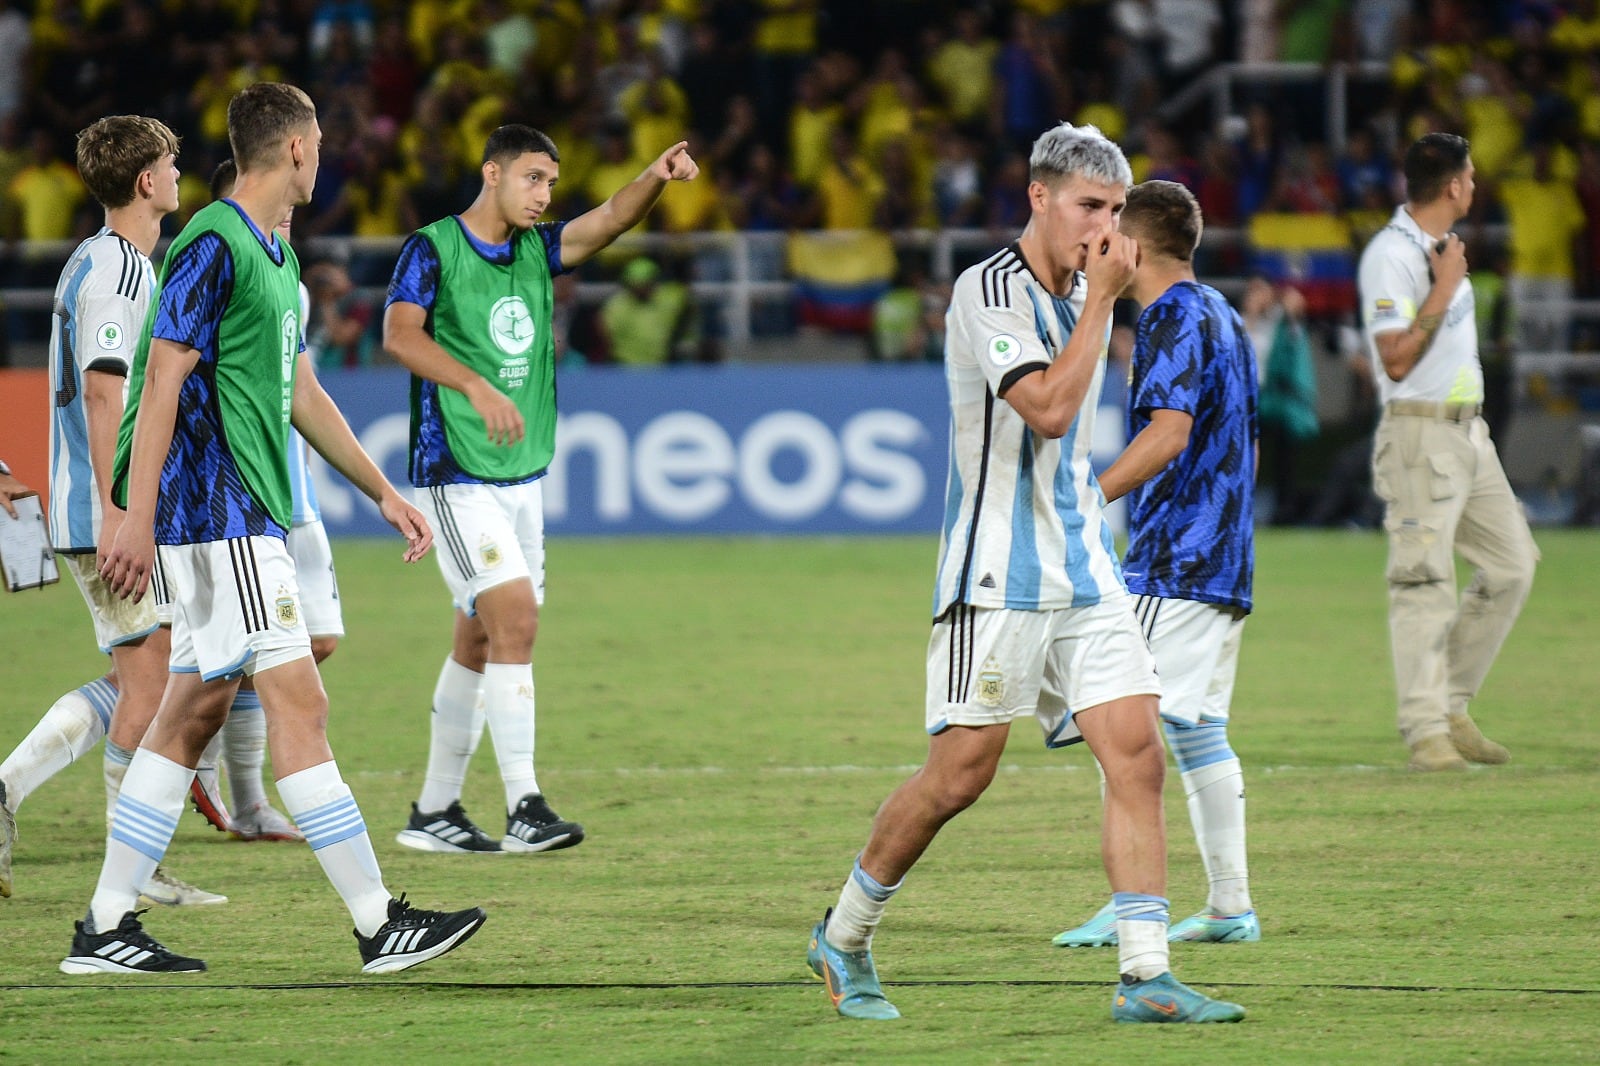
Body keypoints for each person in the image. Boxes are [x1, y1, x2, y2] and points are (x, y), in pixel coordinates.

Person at [804, 124, 1245, 1025]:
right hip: (997, 575)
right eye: (1089, 206)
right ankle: (843, 934)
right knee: (959, 777)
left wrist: (1101, 299)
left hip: (1086, 569)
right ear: (1039, 197)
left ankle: (1145, 976)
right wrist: (1102, 305)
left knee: (1138, 755)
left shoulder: (1090, 288)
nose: (1105, 227)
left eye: (1116, 209)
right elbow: (1046, 408)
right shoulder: (988, 291)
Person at [64, 82, 485, 976]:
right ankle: (377, 920)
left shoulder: (276, 257)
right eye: (319, 140)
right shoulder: (211, 242)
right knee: (301, 703)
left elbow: (301, 392)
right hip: (218, 514)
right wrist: (134, 516)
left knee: (190, 712)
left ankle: (104, 926)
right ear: (295, 148)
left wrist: (383, 491)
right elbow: (162, 377)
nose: (322, 154)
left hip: (241, 514)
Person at [382, 125, 698, 855]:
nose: (544, 195)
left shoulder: (536, 248)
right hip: (457, 472)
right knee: (516, 620)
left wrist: (654, 175)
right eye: (532, 179)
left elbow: (610, 219)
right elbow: (400, 335)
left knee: (480, 636)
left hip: (522, 476)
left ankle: (434, 811)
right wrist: (474, 385)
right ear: (491, 173)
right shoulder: (433, 248)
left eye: (551, 183)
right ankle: (524, 804)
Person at [1, 115, 224, 907]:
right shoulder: (120, 272)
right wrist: (122, 509)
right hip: (107, 512)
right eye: (171, 163)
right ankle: (130, 878)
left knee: (142, 674)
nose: (179, 174)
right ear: (146, 181)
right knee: (153, 686)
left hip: (97, 508)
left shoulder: (98, 262)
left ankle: (9, 788)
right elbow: (105, 393)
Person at [1051, 179, 1261, 951]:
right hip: (1225, 557)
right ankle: (1231, 906)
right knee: (1199, 730)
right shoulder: (1224, 313)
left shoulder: (1169, 316)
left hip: (1176, 559)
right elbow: (1248, 441)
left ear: (1132, 246)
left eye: (1110, 235)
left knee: (1120, 724)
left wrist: (1088, 498)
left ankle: (1132, 899)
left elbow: (1168, 433)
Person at [1356, 132, 1538, 772]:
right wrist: (1443, 287)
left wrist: (1447, 278)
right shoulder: (1392, 255)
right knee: (1423, 581)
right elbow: (1395, 359)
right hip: (1419, 434)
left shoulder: (1442, 250)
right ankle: (1426, 731)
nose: (1475, 186)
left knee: (1513, 565)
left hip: (1469, 435)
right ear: (1455, 185)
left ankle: (1450, 703)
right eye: (1472, 177)